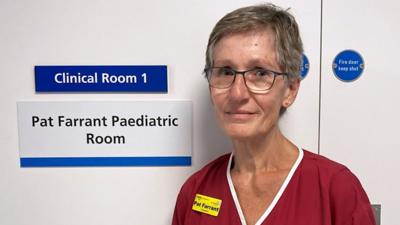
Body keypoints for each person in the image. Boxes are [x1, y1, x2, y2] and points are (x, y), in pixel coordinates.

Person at [172, 3, 376, 225]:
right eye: (226, 71)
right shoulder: (194, 192)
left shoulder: (336, 190)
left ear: (290, 90)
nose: (237, 93)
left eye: (259, 72)